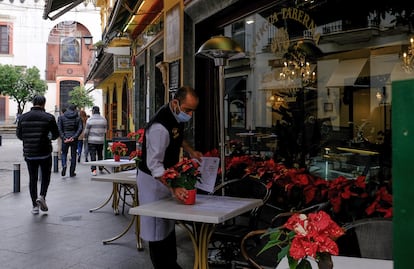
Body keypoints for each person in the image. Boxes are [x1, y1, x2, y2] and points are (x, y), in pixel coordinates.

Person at [137, 86, 203, 269]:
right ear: (175, 103)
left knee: (167, 223)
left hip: (167, 175)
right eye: (187, 110)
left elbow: (177, 136)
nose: (189, 114)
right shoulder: (159, 128)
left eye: (192, 111)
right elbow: (155, 166)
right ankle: (162, 264)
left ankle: (171, 262)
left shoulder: (174, 115)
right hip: (152, 181)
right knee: (157, 225)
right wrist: (174, 187)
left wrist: (190, 151)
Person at [16, 95, 60, 214]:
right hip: (44, 152)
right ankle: (42, 196)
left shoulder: (23, 117)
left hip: (29, 153)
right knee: (45, 177)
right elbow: (56, 134)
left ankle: (34, 207)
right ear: (44, 104)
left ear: (32, 103)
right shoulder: (49, 117)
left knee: (33, 178)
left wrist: (28, 140)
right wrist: (48, 137)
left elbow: (19, 135)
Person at [58, 104, 83, 177]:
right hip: (74, 139)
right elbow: (80, 129)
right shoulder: (78, 118)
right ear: (75, 109)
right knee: (73, 155)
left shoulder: (61, 117)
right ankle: (72, 172)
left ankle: (64, 165)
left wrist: (64, 138)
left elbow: (59, 128)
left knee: (64, 153)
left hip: (65, 138)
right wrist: (74, 137)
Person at [84, 106, 107, 176]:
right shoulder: (104, 119)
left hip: (92, 141)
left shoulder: (90, 120)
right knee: (100, 154)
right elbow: (105, 130)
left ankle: (93, 170)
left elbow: (86, 132)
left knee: (93, 155)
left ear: (93, 111)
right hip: (100, 140)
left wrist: (85, 138)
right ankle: (100, 167)